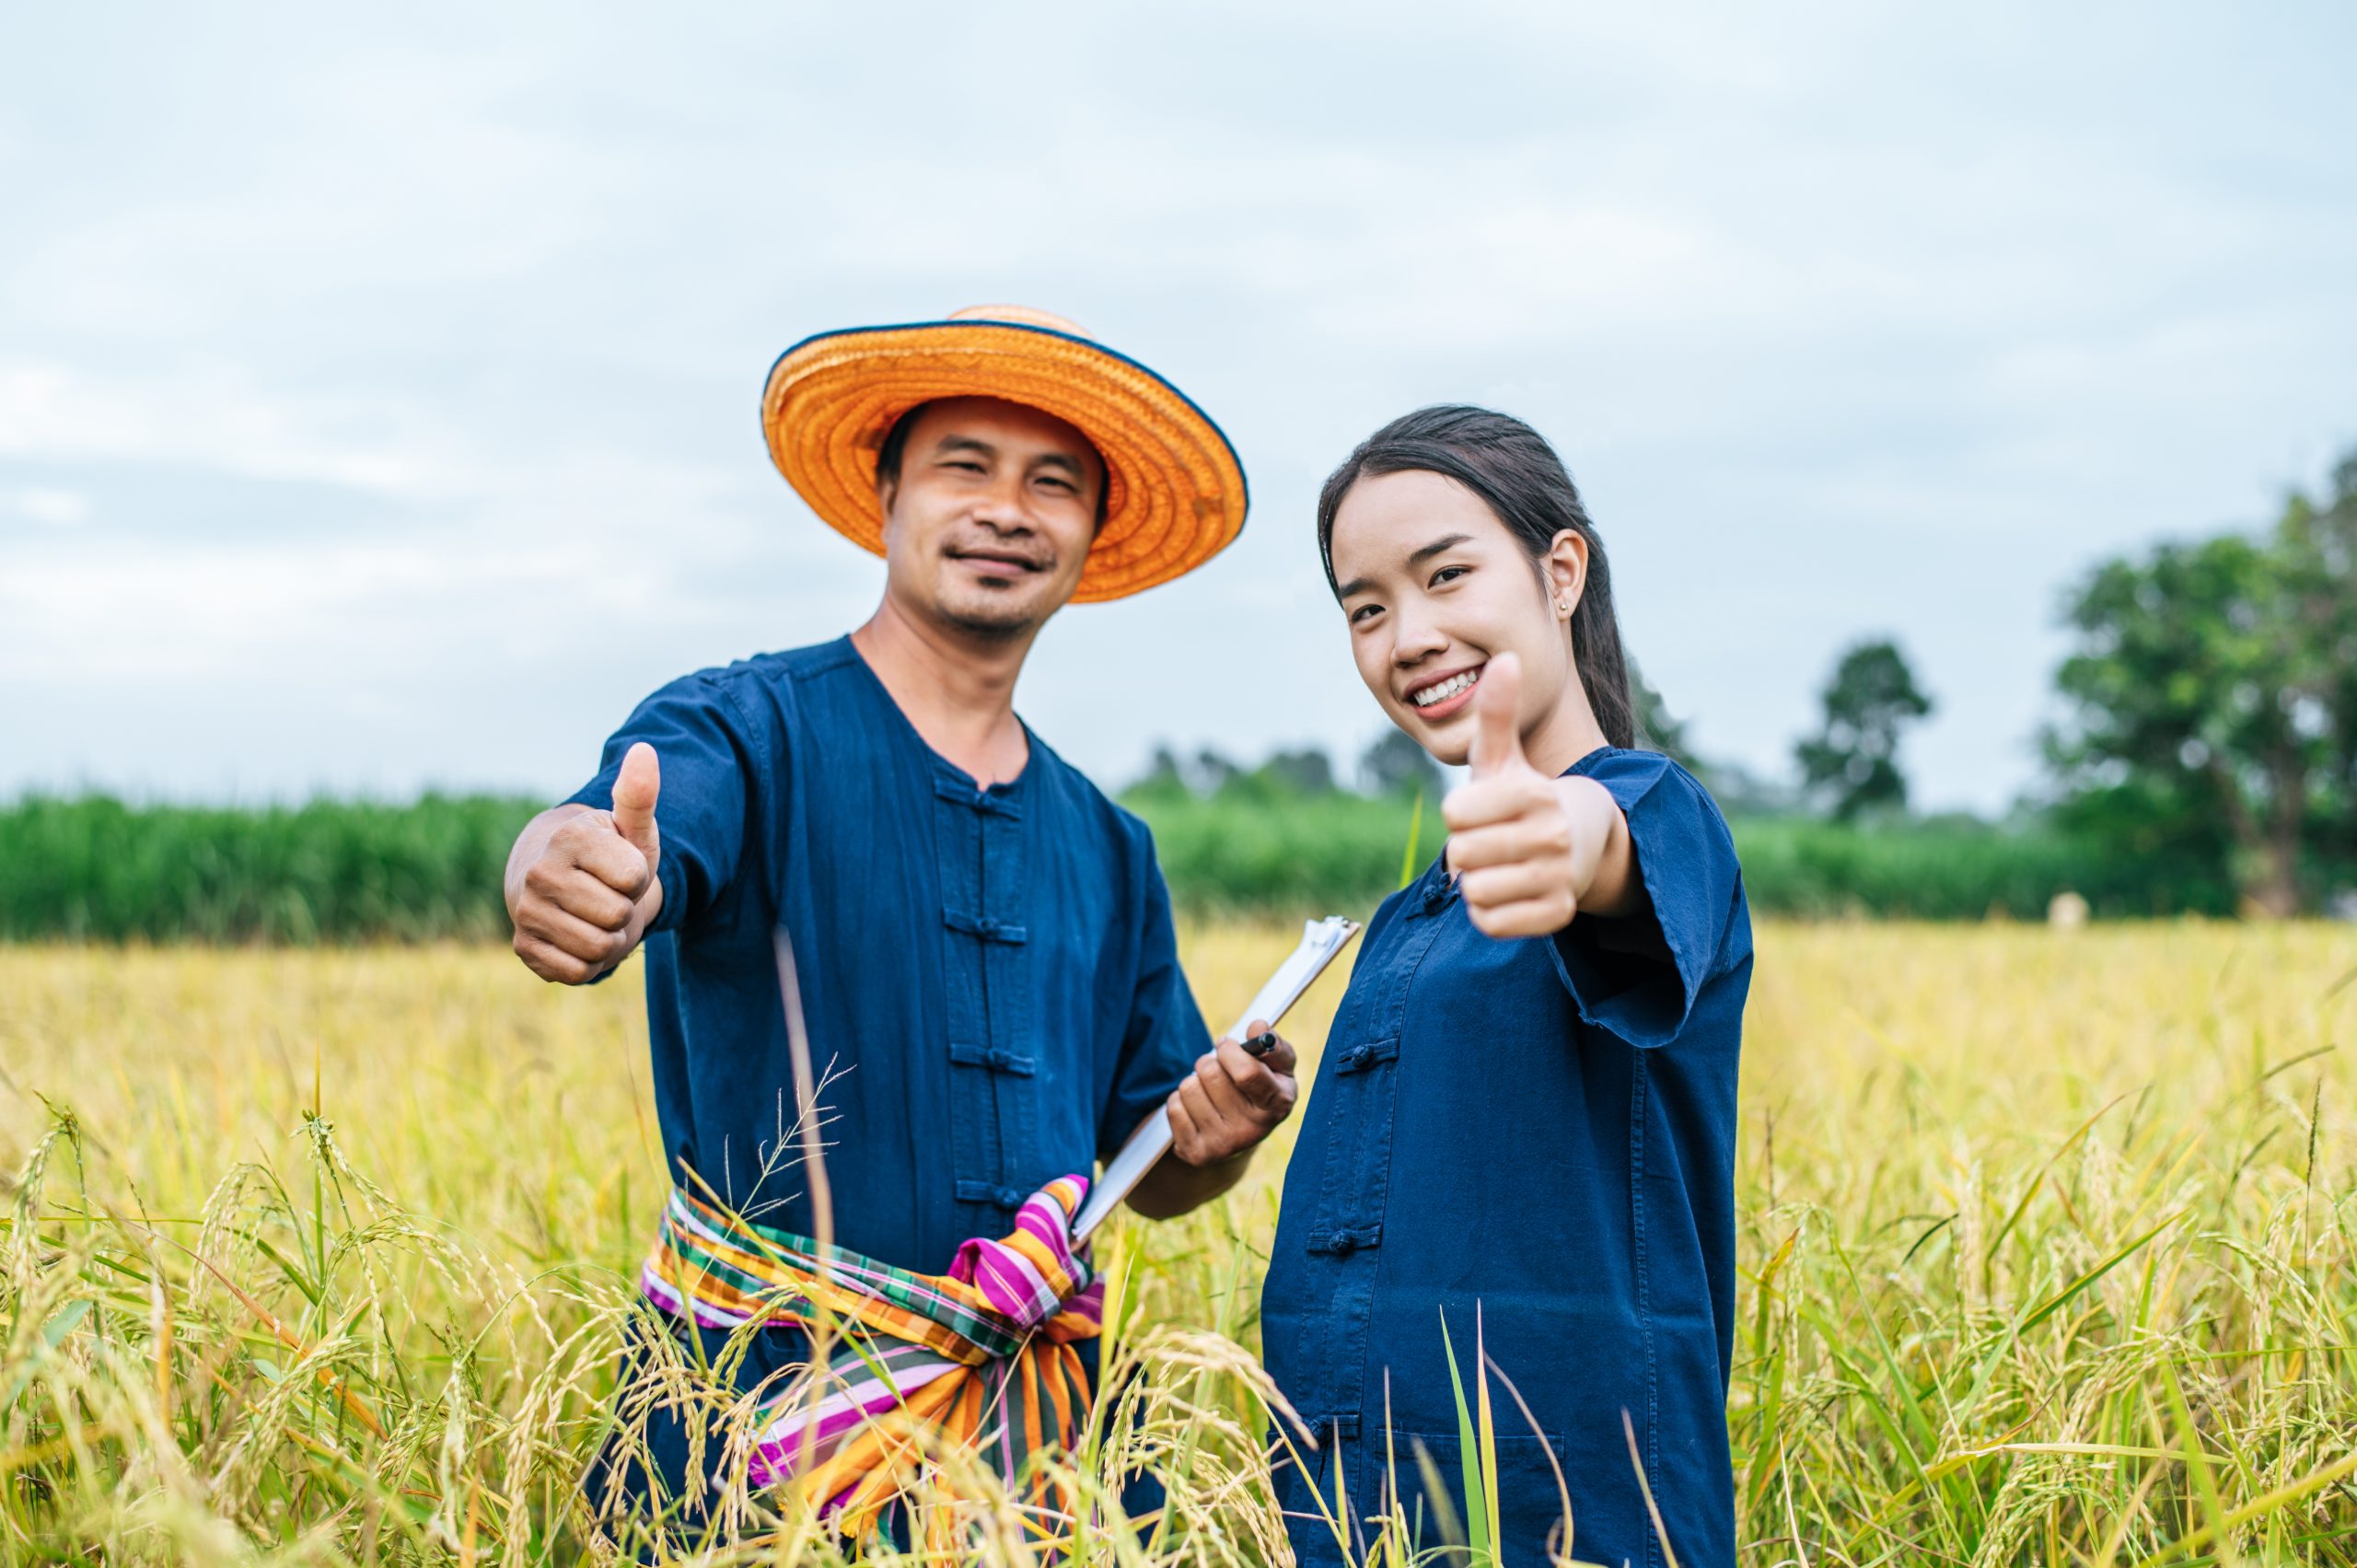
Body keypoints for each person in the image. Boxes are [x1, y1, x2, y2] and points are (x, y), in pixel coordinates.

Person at [503, 306, 1300, 1546]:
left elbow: (1165, 1168)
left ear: (1091, 533)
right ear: (885, 496)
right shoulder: (747, 724)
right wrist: (567, 860)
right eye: (963, 466)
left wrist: (1226, 1129)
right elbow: (627, 836)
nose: (1007, 509)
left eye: (1053, 482)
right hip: (747, 1415)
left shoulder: (1109, 843)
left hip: (1033, 1440)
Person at [1259, 406, 1751, 1568]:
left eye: (1446, 574)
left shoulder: (1653, 813)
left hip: (1575, 1518)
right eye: (1365, 606)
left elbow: (1597, 845)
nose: (1407, 633)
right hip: (1348, 1508)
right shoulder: (1406, 917)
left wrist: (1563, 828)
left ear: (1559, 568)